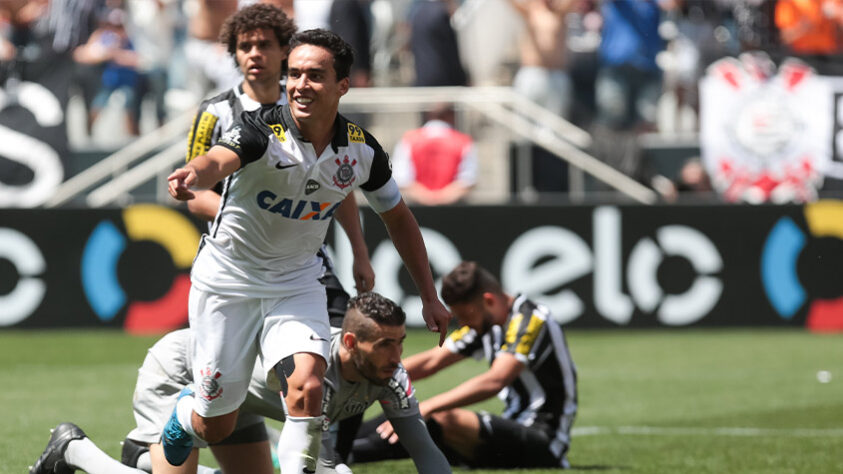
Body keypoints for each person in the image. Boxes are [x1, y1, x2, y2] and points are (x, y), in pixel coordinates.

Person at [165, 28, 451, 472]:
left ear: (342, 86)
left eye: (314, 75)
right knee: (213, 426)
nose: (300, 84)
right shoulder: (261, 128)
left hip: (296, 281)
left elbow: (398, 218)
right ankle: (185, 415)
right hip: (228, 281)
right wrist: (193, 174)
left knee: (308, 387)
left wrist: (429, 296)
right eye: (294, 74)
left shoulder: (361, 149)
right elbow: (218, 159)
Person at [29, 292, 452, 474]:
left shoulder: (389, 375)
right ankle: (73, 449)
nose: (397, 357)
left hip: (246, 403)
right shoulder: (313, 370)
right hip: (187, 372)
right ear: (348, 342)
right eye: (385, 345)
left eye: (400, 343)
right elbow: (310, 460)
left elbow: (424, 451)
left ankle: (150, 458)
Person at [352, 261, 578, 469]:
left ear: (488, 300)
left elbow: (495, 380)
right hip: (508, 432)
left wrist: (428, 407)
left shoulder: (530, 319)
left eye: (464, 315)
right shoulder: (487, 323)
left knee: (442, 418)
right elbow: (431, 361)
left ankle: (347, 453)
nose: (463, 323)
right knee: (415, 415)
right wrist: (369, 369)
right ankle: (340, 443)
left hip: (545, 440)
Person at [391, 103, 477, 205]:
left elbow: (402, 179)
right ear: (452, 116)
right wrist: (440, 198)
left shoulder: (408, 139)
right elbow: (468, 180)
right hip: (453, 210)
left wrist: (427, 198)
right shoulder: (464, 141)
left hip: (417, 210)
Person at [508, 0, 577, 118]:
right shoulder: (530, 12)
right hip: (531, 74)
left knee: (555, 122)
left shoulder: (560, 13)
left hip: (556, 76)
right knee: (525, 120)